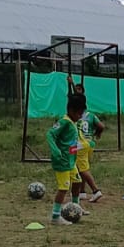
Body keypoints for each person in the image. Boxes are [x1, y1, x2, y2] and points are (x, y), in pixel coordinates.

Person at [46, 89, 83, 225]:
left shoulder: (73, 122)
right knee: (63, 188)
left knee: (78, 181)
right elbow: (50, 134)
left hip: (70, 161)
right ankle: (55, 216)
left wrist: (79, 148)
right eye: (79, 113)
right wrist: (55, 150)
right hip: (62, 162)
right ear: (72, 111)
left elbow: (70, 142)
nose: (80, 116)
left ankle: (75, 207)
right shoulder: (64, 122)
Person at [73, 106, 106, 204]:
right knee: (83, 167)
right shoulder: (91, 115)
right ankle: (82, 191)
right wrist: (97, 134)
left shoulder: (74, 116)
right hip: (90, 143)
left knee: (82, 169)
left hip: (80, 145)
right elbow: (101, 126)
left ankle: (95, 190)